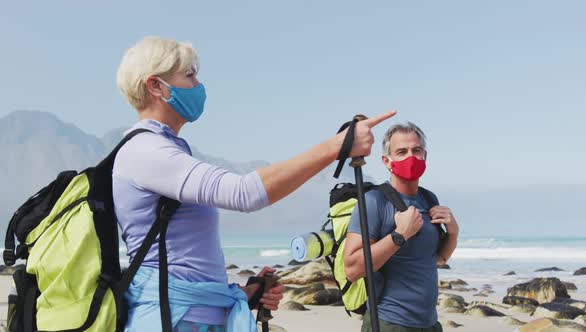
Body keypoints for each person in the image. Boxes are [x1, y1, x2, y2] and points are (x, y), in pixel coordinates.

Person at [113, 36, 396, 332]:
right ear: (155, 86)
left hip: (190, 318)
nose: (198, 85)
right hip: (168, 322)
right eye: (189, 75)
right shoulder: (146, 152)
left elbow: (184, 261)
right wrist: (338, 146)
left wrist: (247, 293)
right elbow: (244, 193)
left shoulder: (165, 149)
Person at [343, 122, 459, 332]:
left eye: (416, 150)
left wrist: (453, 231)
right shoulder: (374, 201)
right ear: (387, 161)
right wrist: (399, 235)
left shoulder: (428, 198)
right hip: (389, 323)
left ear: (425, 156)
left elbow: (437, 259)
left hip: (430, 324)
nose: (411, 157)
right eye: (401, 152)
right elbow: (351, 269)